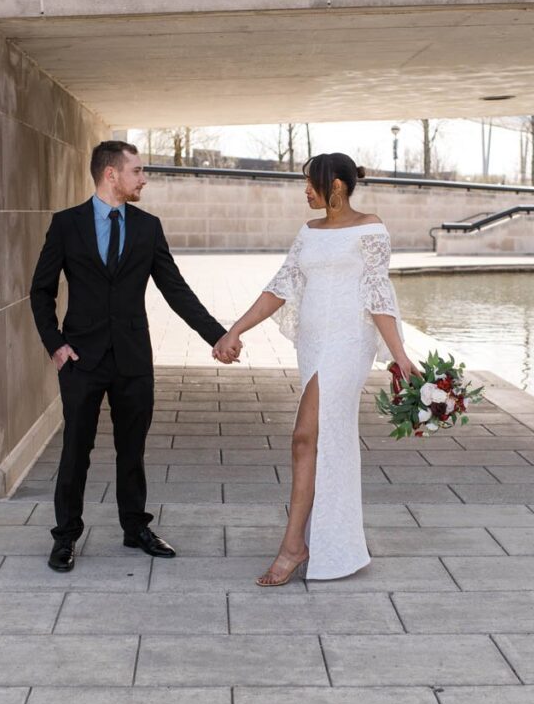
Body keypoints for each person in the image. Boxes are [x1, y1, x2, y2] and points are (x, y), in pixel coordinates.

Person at [30, 140, 238, 572]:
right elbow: (41, 290)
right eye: (138, 171)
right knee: (75, 451)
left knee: (133, 449)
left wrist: (218, 335)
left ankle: (135, 527)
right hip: (80, 360)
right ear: (111, 174)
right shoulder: (67, 225)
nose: (144, 178)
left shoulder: (148, 227)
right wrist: (56, 344)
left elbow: (175, 289)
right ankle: (65, 536)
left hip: (132, 359)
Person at [214, 152, 418, 585]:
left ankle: (294, 546)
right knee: (315, 441)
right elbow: (282, 286)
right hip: (313, 343)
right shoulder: (308, 232)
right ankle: (323, 542)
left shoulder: (371, 227)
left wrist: (400, 354)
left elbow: (378, 294)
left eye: (311, 183)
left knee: (304, 435)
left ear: (337, 186)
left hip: (348, 342)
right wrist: (235, 330)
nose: (305, 190)